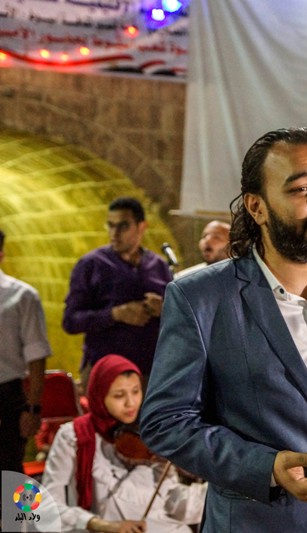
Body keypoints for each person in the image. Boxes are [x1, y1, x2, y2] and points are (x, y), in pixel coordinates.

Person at [139, 127, 307, 532]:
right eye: (302, 188)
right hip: (258, 521)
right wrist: (266, 467)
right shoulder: (201, 297)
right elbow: (166, 421)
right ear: (257, 207)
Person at [42, 354, 206, 532]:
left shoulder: (149, 432)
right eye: (119, 395)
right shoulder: (73, 436)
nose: (131, 403)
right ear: (99, 395)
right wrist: (104, 526)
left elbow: (171, 501)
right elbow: (49, 504)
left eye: (136, 391)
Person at [62, 197, 172, 383]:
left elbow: (181, 319)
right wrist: (116, 314)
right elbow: (71, 321)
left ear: (141, 227)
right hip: (105, 372)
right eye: (110, 225)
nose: (114, 233)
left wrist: (165, 309)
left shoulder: (159, 266)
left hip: (151, 373)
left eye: (123, 226)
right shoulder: (91, 264)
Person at [0, 228, 52, 473]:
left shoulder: (21, 296)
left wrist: (32, 408)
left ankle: (24, 502)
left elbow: (37, 356)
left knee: (10, 471)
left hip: (6, 395)